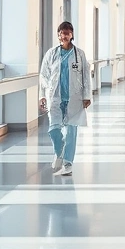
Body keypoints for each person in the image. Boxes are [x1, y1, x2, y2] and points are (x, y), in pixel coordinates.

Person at [39, 21, 92, 176]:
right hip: (54, 96)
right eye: (62, 32)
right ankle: (60, 149)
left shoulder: (79, 54)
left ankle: (68, 163)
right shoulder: (51, 54)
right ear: (58, 35)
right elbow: (44, 75)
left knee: (71, 131)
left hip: (74, 97)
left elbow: (86, 76)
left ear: (72, 35)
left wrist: (87, 96)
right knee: (53, 129)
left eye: (68, 32)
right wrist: (42, 95)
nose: (65, 35)